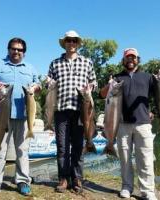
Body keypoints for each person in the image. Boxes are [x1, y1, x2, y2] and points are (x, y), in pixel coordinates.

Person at [0, 37, 40, 200]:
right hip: (1, 117)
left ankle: (22, 181)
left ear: (24, 52)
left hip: (23, 116)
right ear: (8, 50)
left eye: (20, 50)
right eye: (13, 49)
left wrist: (36, 87)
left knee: (22, 151)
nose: (16, 52)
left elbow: (39, 86)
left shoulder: (30, 68)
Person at [100, 48, 157, 200]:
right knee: (125, 159)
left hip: (143, 124)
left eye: (133, 57)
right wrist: (109, 84)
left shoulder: (148, 77)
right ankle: (126, 187)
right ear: (123, 60)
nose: (130, 60)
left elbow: (159, 96)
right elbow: (102, 95)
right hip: (122, 125)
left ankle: (148, 191)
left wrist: (155, 112)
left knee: (145, 159)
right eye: (127, 57)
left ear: (138, 59)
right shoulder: (117, 78)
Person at [47, 30, 97, 193]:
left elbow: (94, 82)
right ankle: (63, 178)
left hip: (81, 111)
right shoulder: (55, 63)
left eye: (74, 41)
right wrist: (48, 82)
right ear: (65, 43)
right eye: (68, 40)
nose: (71, 43)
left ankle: (77, 178)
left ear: (77, 43)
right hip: (60, 110)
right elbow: (49, 83)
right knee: (62, 147)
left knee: (77, 146)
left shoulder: (87, 62)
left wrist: (90, 87)